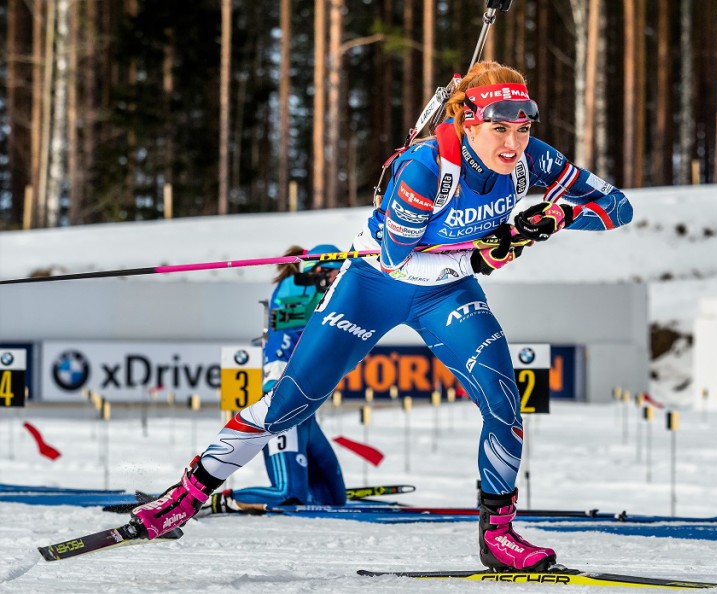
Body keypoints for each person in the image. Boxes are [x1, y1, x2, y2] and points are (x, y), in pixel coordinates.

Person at [132, 61, 633, 572]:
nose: (512, 144)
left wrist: (557, 215)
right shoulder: (426, 166)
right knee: (288, 406)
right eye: (499, 129)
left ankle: (498, 535)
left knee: (504, 403)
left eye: (522, 129)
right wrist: (480, 256)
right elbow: (397, 257)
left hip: (446, 295)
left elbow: (618, 207)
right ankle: (183, 500)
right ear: (468, 122)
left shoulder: (532, 161)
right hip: (372, 286)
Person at [202, 245, 348, 516]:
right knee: (288, 494)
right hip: (281, 405)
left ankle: (284, 490)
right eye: (335, 275)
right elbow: (314, 286)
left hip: (304, 412)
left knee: (333, 499)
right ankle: (215, 501)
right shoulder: (295, 287)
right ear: (318, 271)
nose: (339, 282)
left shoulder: (314, 293)